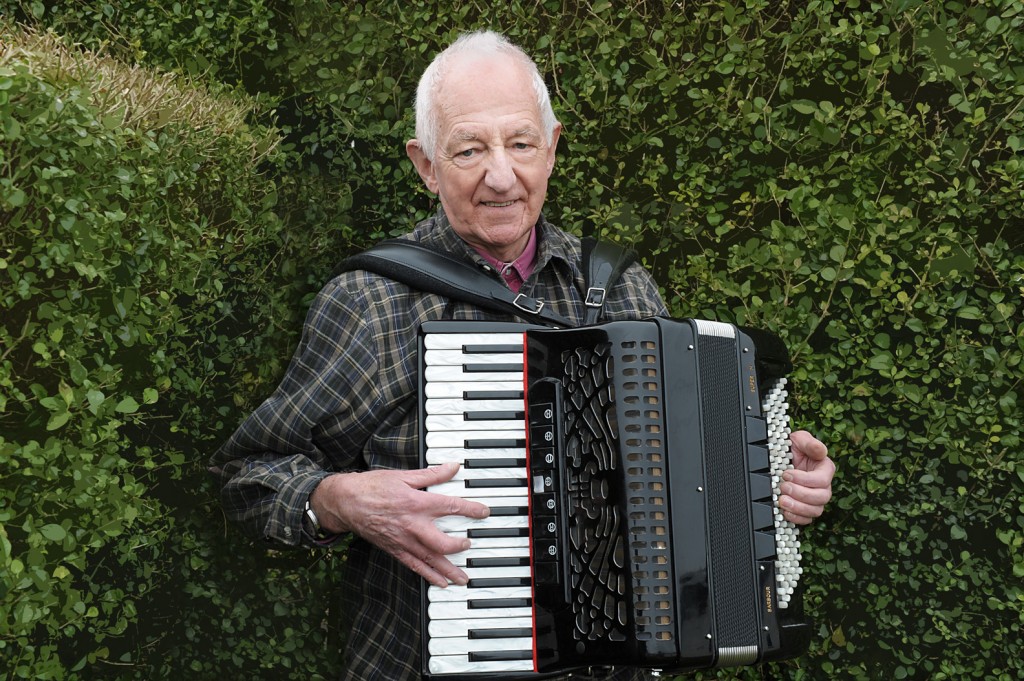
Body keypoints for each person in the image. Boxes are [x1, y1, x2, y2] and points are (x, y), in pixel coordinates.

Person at [210, 30, 836, 681]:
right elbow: (250, 475)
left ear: (553, 149)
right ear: (425, 165)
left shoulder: (619, 287)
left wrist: (776, 486)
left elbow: (693, 484)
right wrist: (336, 498)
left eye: (521, 144)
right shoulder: (372, 302)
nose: (501, 175)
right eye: (469, 150)